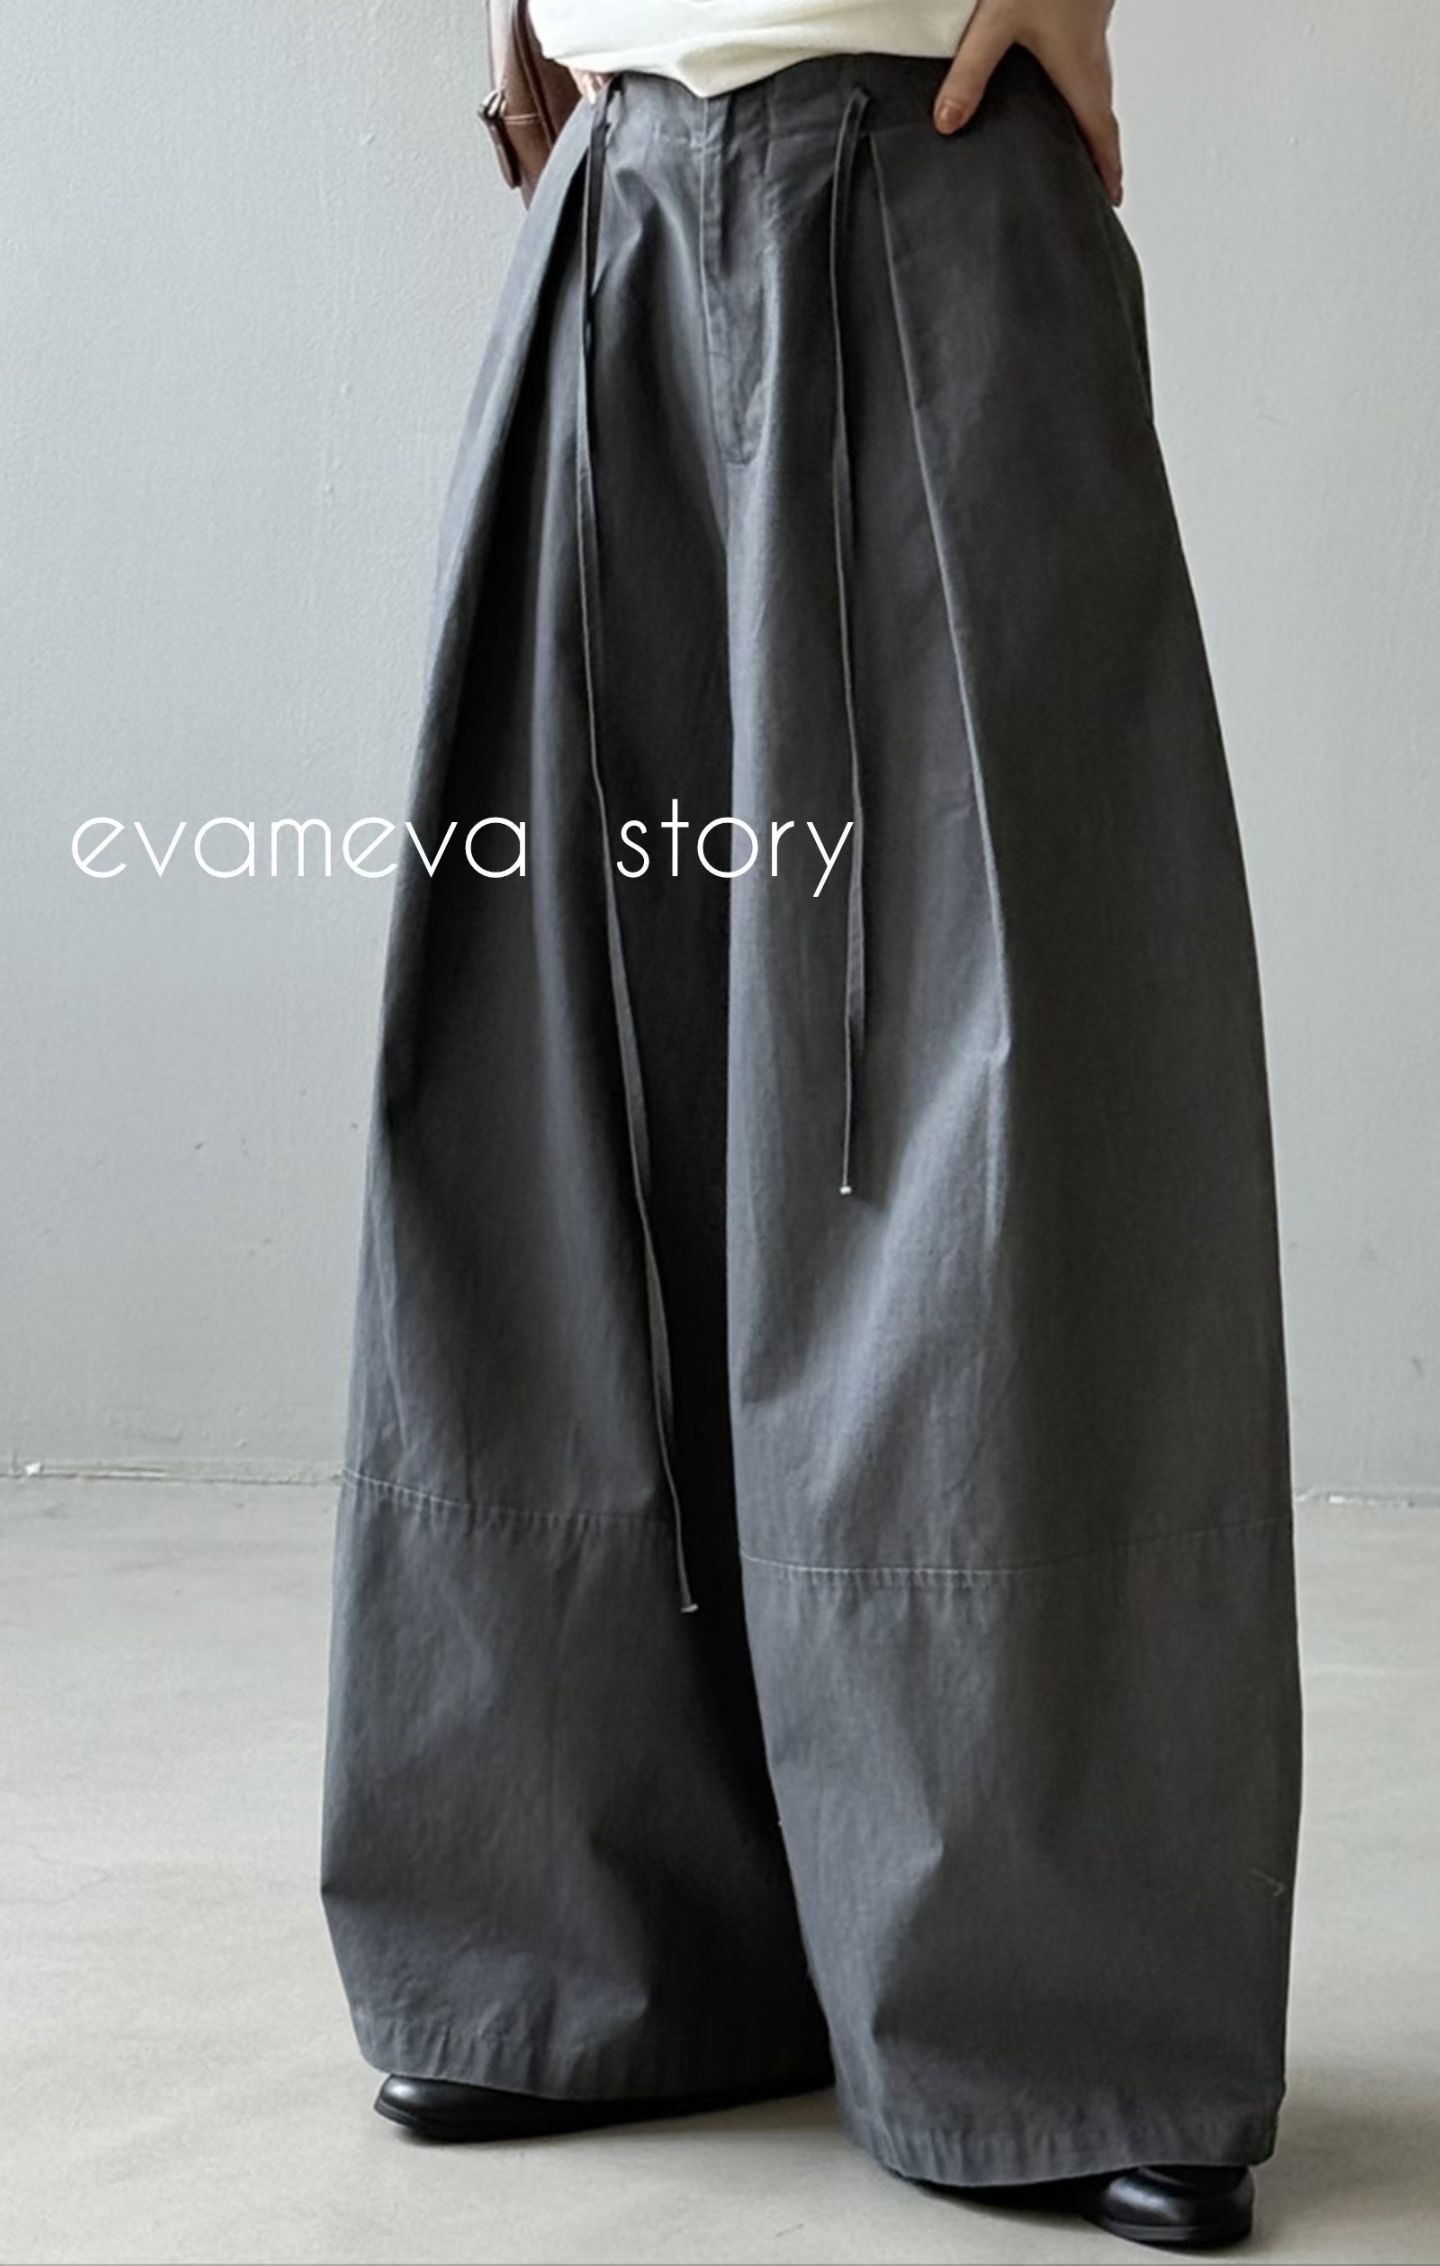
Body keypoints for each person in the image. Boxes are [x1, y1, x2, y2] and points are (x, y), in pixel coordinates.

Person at [320, 0, 1303, 2249]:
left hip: (930, 153)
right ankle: (584, 1932)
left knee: (1012, 1115)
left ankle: (1058, 2004)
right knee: (567, 1082)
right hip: (619, 201)